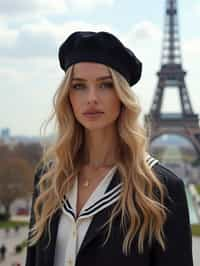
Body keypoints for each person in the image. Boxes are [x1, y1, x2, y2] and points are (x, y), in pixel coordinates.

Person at [25, 31, 193, 266]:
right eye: (79, 86)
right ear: (68, 97)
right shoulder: (48, 179)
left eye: (105, 85)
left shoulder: (161, 190)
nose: (91, 98)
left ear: (123, 96)